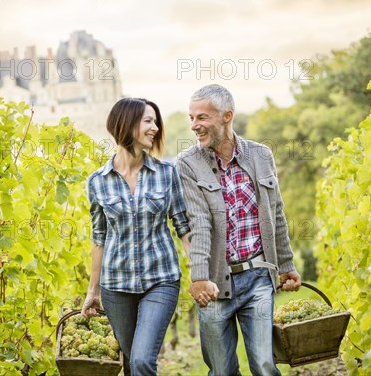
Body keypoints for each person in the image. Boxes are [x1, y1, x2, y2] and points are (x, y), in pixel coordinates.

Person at [175, 84, 302, 376]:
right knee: (221, 370)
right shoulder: (188, 164)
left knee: (264, 364)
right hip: (216, 282)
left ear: (227, 116)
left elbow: (276, 213)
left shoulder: (261, 155)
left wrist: (285, 264)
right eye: (191, 118)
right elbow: (199, 223)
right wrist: (200, 278)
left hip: (258, 277)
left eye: (202, 117)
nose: (195, 125)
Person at [80, 97, 191, 376]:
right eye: (147, 121)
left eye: (156, 121)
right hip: (116, 285)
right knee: (130, 364)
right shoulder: (97, 181)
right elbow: (99, 237)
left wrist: (200, 273)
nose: (155, 128)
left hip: (161, 279)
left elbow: (183, 226)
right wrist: (92, 291)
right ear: (125, 125)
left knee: (142, 360)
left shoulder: (167, 173)